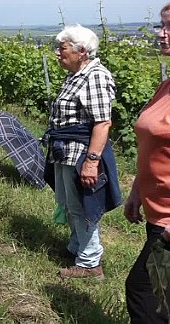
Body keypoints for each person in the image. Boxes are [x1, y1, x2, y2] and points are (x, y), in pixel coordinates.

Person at [45, 24, 118, 280]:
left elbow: (102, 122)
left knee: (83, 206)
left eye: (62, 48)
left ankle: (89, 263)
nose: (57, 53)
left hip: (81, 152)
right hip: (65, 150)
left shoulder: (95, 76)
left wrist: (92, 162)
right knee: (68, 202)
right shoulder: (76, 75)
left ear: (82, 51)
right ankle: (77, 248)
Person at [125, 0, 170, 321]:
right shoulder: (169, 85)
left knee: (144, 292)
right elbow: (152, 145)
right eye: (162, 25)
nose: (162, 34)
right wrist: (137, 191)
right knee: (164, 298)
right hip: (160, 215)